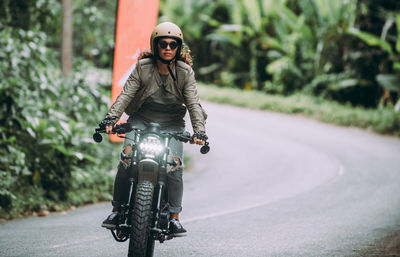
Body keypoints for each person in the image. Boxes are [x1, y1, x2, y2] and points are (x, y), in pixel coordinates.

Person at [100, 22, 208, 235]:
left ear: (178, 48)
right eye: (163, 44)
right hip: (141, 119)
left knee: (175, 167)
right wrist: (110, 119)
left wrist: (200, 131)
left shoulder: (185, 72)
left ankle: (175, 217)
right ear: (155, 45)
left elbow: (194, 104)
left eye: (173, 44)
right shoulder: (143, 67)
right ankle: (116, 209)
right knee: (126, 159)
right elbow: (126, 95)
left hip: (172, 124)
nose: (168, 48)